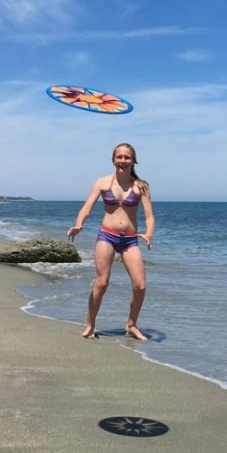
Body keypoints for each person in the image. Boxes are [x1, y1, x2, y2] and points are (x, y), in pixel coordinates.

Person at [67, 142, 155, 340]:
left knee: (140, 285)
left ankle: (132, 324)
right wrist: (79, 224)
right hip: (107, 235)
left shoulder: (141, 186)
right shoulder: (102, 183)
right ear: (113, 160)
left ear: (133, 161)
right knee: (101, 283)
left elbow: (149, 216)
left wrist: (149, 233)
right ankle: (90, 324)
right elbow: (87, 207)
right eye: (119, 157)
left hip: (130, 239)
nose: (122, 161)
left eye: (127, 157)